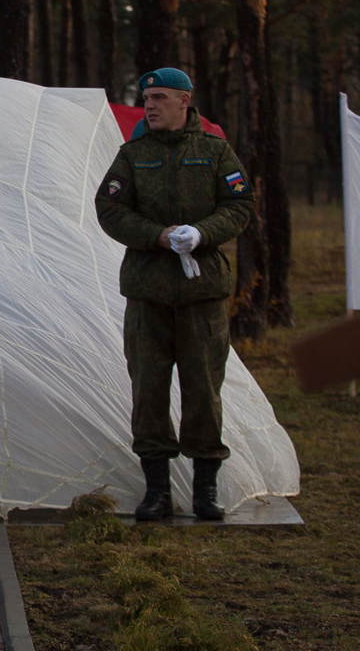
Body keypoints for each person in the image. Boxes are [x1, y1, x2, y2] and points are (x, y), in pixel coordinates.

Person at [95, 68, 255, 522]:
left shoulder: (214, 152)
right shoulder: (133, 155)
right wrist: (158, 236)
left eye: (160, 97)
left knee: (204, 390)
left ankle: (205, 491)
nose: (150, 105)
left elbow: (241, 204)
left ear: (185, 101)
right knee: (148, 390)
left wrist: (203, 233)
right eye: (146, 97)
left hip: (202, 293)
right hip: (148, 293)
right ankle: (157, 492)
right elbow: (108, 207)